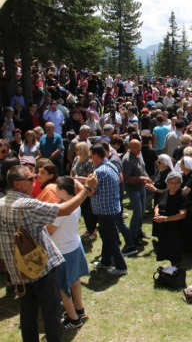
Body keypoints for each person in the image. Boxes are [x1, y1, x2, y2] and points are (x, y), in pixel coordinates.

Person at [0, 165, 96, 342]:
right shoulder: (27, 205)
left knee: (27, 312)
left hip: (18, 271)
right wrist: (87, 189)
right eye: (29, 179)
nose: (34, 180)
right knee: (51, 311)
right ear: (17, 184)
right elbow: (65, 210)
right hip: (41, 268)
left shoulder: (1, 204)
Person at [46, 177, 90, 330]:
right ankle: (79, 309)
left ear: (63, 191)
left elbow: (49, 230)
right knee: (74, 280)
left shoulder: (62, 210)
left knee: (62, 288)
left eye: (56, 189)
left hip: (62, 252)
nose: (55, 191)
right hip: (74, 246)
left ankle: (73, 318)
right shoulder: (75, 204)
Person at [89, 144, 128, 275]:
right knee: (106, 236)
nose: (90, 158)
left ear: (95, 155)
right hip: (113, 208)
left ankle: (121, 266)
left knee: (110, 239)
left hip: (105, 211)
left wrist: (79, 184)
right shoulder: (111, 165)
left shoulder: (99, 172)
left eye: (91, 156)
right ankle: (105, 261)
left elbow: (89, 192)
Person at [153, 172, 188, 268]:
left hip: (176, 228)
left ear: (180, 183)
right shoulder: (165, 192)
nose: (174, 185)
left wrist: (166, 219)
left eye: (176, 183)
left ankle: (179, 272)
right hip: (164, 226)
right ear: (167, 183)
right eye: (171, 183)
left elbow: (182, 214)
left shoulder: (182, 195)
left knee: (176, 251)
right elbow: (158, 205)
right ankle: (172, 269)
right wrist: (156, 213)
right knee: (167, 248)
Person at [122, 139, 150, 246]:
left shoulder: (139, 154)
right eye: (137, 149)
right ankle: (132, 236)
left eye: (140, 148)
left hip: (141, 187)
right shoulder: (127, 160)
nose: (139, 150)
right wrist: (141, 178)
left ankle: (139, 231)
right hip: (133, 189)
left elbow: (142, 169)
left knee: (142, 210)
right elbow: (126, 179)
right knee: (137, 212)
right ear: (131, 148)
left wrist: (146, 177)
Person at [70, 142, 96, 242]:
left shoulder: (89, 162)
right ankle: (88, 230)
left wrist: (80, 179)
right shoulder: (76, 159)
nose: (75, 151)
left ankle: (92, 231)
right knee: (80, 210)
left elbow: (90, 178)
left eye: (77, 149)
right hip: (76, 188)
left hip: (85, 189)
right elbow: (72, 171)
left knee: (87, 211)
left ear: (83, 149)